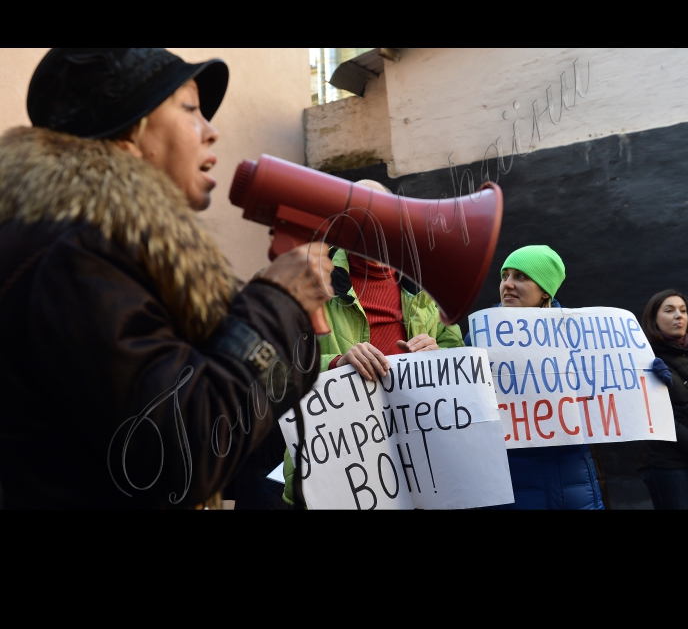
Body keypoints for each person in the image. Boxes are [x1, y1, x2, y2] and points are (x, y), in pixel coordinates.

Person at [0, 48, 334, 509]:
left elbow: (241, 450)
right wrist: (275, 304)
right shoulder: (78, 258)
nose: (212, 131)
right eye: (191, 110)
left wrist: (276, 318)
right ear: (130, 133)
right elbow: (178, 454)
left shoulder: (108, 252)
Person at [282, 179, 465, 505]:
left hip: (418, 462)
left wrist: (439, 356)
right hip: (342, 466)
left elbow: (458, 357)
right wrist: (337, 364)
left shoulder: (426, 283)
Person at [465, 245, 606, 509]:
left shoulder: (578, 335)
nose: (507, 284)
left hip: (571, 482)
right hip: (509, 481)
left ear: (545, 291)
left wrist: (646, 375)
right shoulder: (480, 336)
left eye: (520, 276)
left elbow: (609, 390)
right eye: (504, 276)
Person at [639, 290, 688, 509]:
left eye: (683, 310)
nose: (679, 315)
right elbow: (657, 416)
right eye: (669, 310)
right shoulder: (643, 360)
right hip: (667, 462)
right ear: (653, 319)